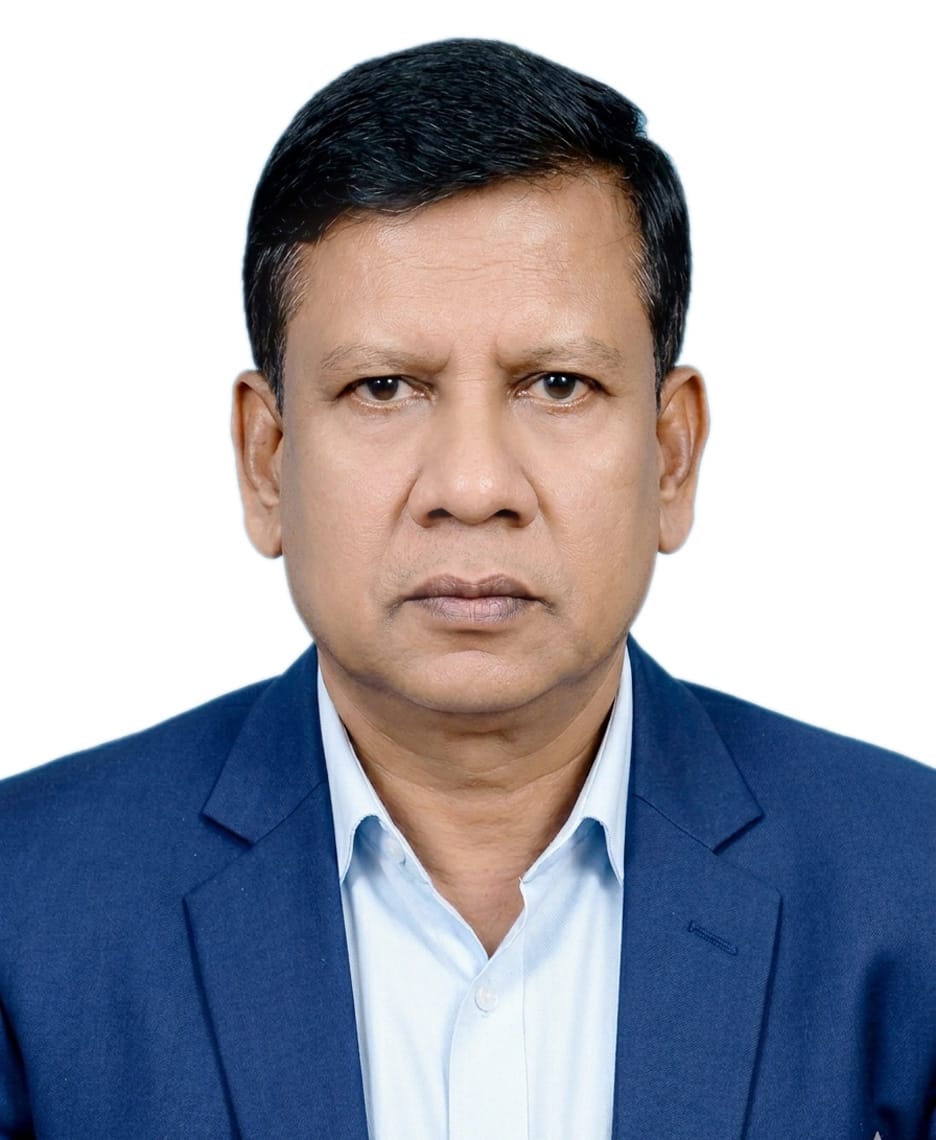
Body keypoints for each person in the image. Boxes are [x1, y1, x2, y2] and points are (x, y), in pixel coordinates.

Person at [0, 36, 933, 1140]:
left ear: (672, 456)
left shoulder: (910, 889)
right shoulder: (26, 911)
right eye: (384, 387)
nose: (474, 487)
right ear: (267, 462)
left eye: (557, 384)